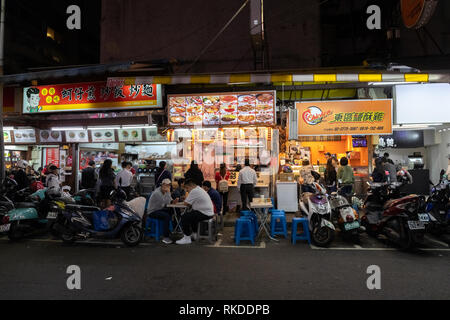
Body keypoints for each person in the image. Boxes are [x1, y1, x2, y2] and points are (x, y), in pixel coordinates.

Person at [176, 179, 215, 245]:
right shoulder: (198, 189)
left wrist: (178, 203)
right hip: (208, 212)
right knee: (192, 214)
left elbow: (186, 203)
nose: (186, 190)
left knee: (184, 217)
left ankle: (187, 238)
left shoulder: (194, 191)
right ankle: (195, 234)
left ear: (190, 186)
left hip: (205, 213)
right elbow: (188, 203)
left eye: (186, 188)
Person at [146, 178, 177, 244]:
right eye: (166, 185)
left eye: (169, 185)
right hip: (152, 211)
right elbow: (166, 203)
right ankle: (165, 237)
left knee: (172, 211)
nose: (168, 187)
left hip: (159, 209)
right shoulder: (157, 193)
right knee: (166, 216)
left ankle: (168, 230)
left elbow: (170, 201)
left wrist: (174, 201)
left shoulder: (165, 192)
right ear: (162, 185)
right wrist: (169, 193)